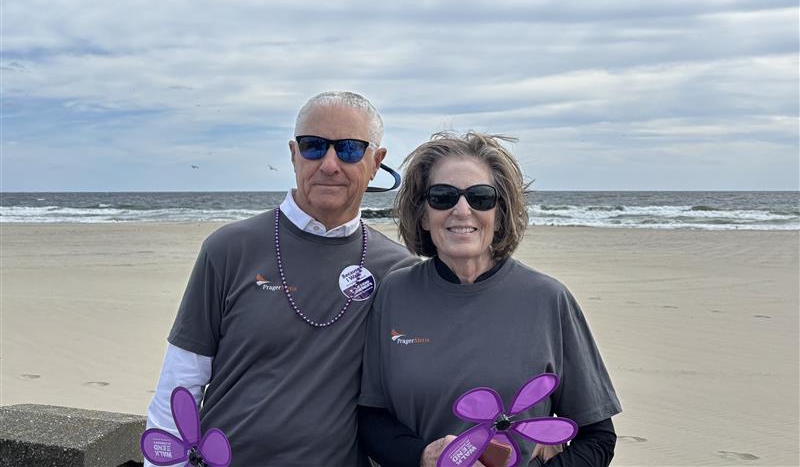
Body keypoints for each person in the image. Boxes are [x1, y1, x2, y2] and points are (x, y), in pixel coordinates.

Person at [145, 91, 417, 467]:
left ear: (376, 162)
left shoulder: (397, 270)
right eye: (313, 146)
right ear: (293, 154)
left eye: (350, 149)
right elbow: (181, 382)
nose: (330, 164)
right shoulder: (229, 248)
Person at [358, 132, 622, 467]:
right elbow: (372, 416)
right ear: (423, 214)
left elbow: (598, 437)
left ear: (500, 214)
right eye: (442, 197)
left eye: (481, 197)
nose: (462, 210)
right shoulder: (394, 293)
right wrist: (423, 457)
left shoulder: (548, 299)